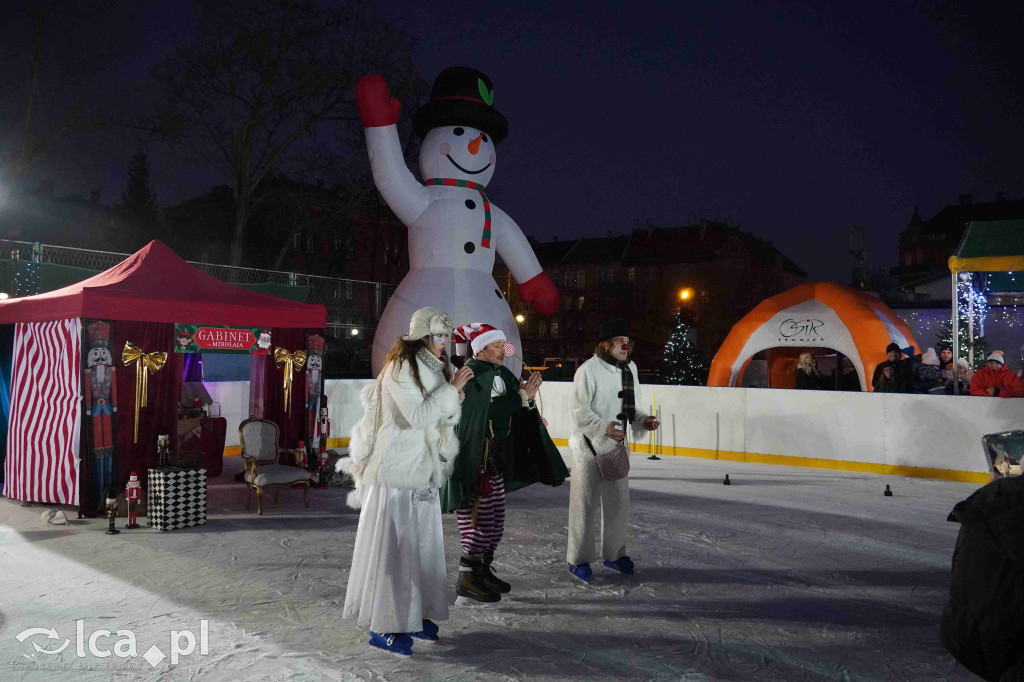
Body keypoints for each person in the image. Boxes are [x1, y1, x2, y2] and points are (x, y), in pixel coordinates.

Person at [342, 307, 474, 655]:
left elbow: (443, 415)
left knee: (424, 545)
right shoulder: (402, 367)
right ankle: (384, 624)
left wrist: (452, 394)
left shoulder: (435, 368)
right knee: (395, 549)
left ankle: (416, 614)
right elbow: (417, 416)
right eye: (437, 336)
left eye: (446, 336)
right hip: (398, 468)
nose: (443, 343)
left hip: (423, 468)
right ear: (421, 337)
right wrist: (453, 390)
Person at [443, 323, 569, 606]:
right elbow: (485, 410)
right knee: (478, 521)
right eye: (496, 346)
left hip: (495, 458)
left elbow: (515, 406)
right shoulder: (473, 374)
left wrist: (525, 398)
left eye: (502, 346)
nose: (502, 352)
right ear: (481, 349)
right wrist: (522, 396)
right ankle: (467, 576)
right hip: (476, 460)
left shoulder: (500, 374)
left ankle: (482, 571)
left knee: (495, 521)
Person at [567, 319, 659, 583]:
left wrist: (644, 420)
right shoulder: (588, 370)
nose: (625, 344)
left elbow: (635, 404)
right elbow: (579, 410)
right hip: (589, 446)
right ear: (606, 344)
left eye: (627, 340)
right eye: (619, 340)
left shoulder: (630, 368)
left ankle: (614, 554)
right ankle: (578, 559)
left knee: (619, 503)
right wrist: (602, 427)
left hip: (617, 447)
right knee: (584, 504)